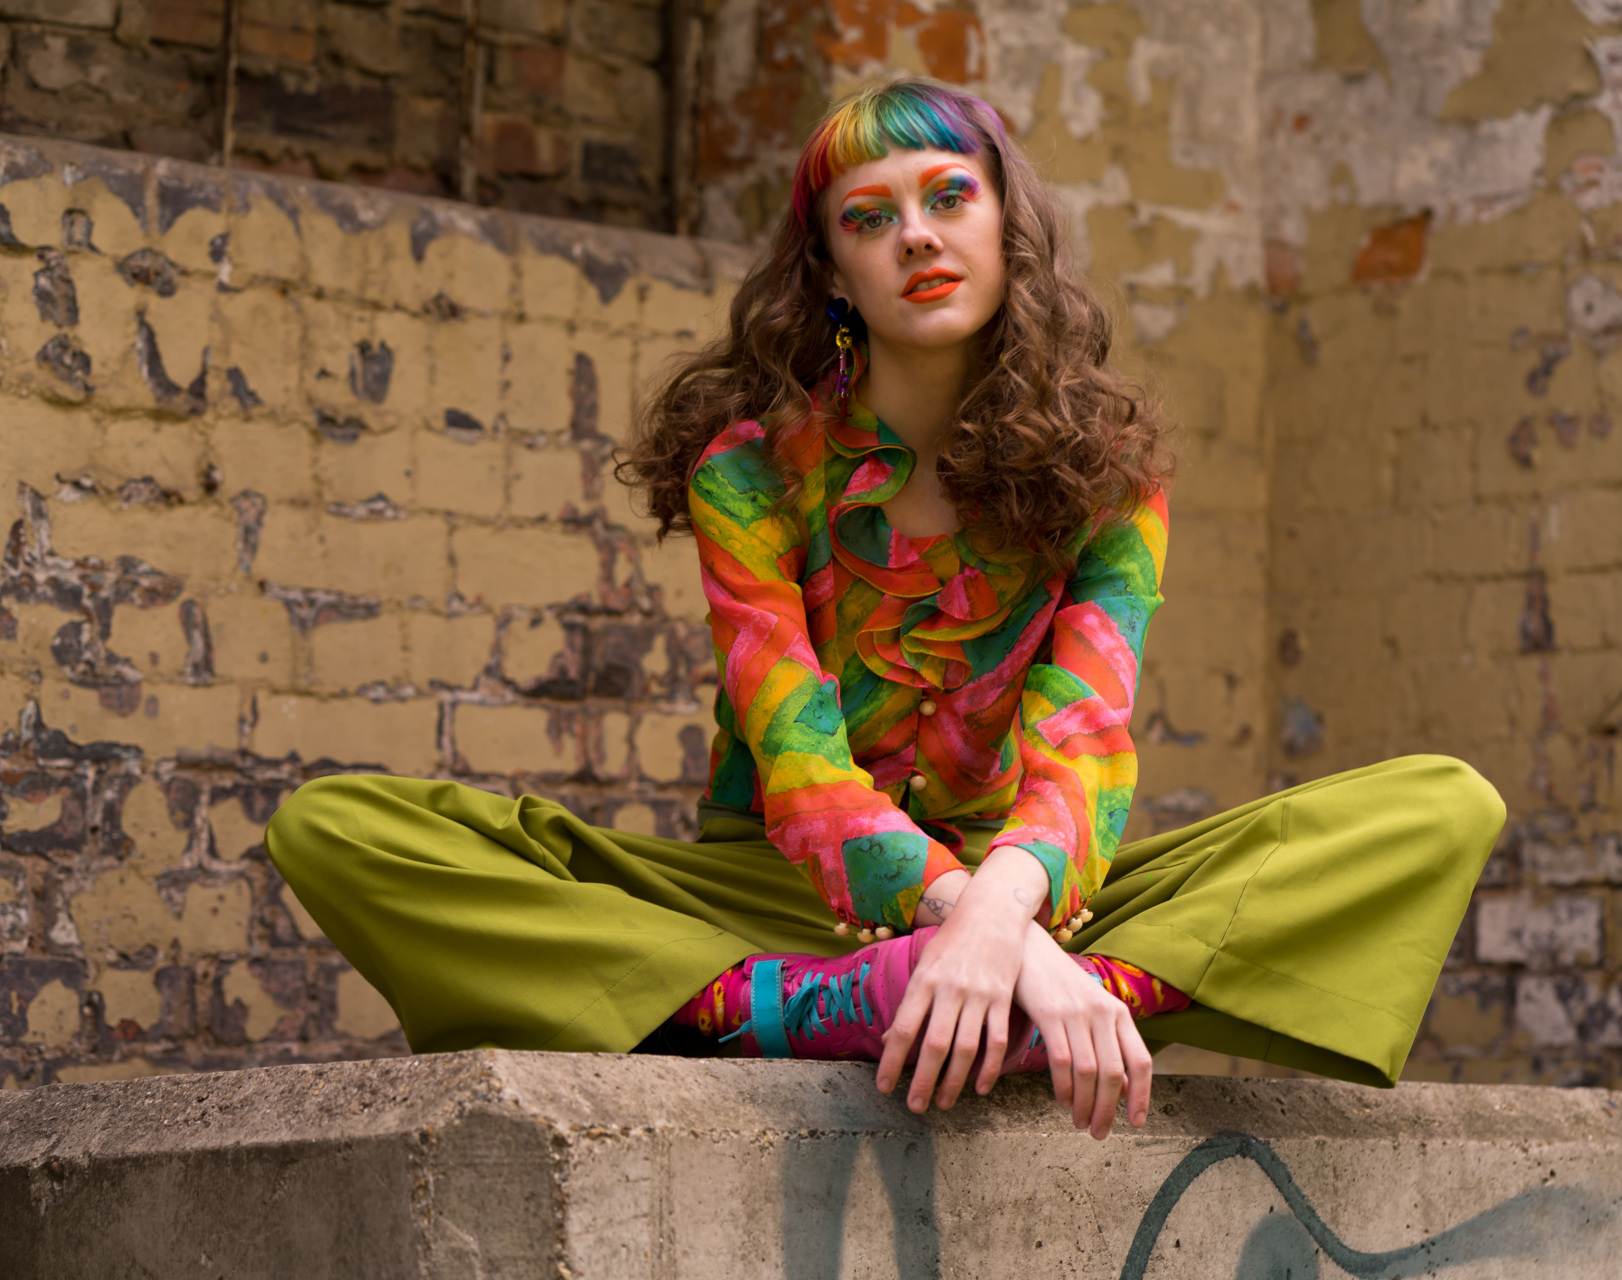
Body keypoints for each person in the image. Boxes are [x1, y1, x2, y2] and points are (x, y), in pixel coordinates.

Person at [266, 77, 1506, 1142]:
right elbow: (798, 764)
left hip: (1038, 885)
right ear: (833, 273)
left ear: (1009, 222)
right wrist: (977, 939)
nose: (917, 235)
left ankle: (1014, 993)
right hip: (776, 899)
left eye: (948, 195)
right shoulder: (750, 468)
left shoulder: (1111, 473)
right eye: (873, 217)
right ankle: (898, 1002)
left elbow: (1085, 744)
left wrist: (1005, 921)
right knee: (340, 828)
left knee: (1440, 806)